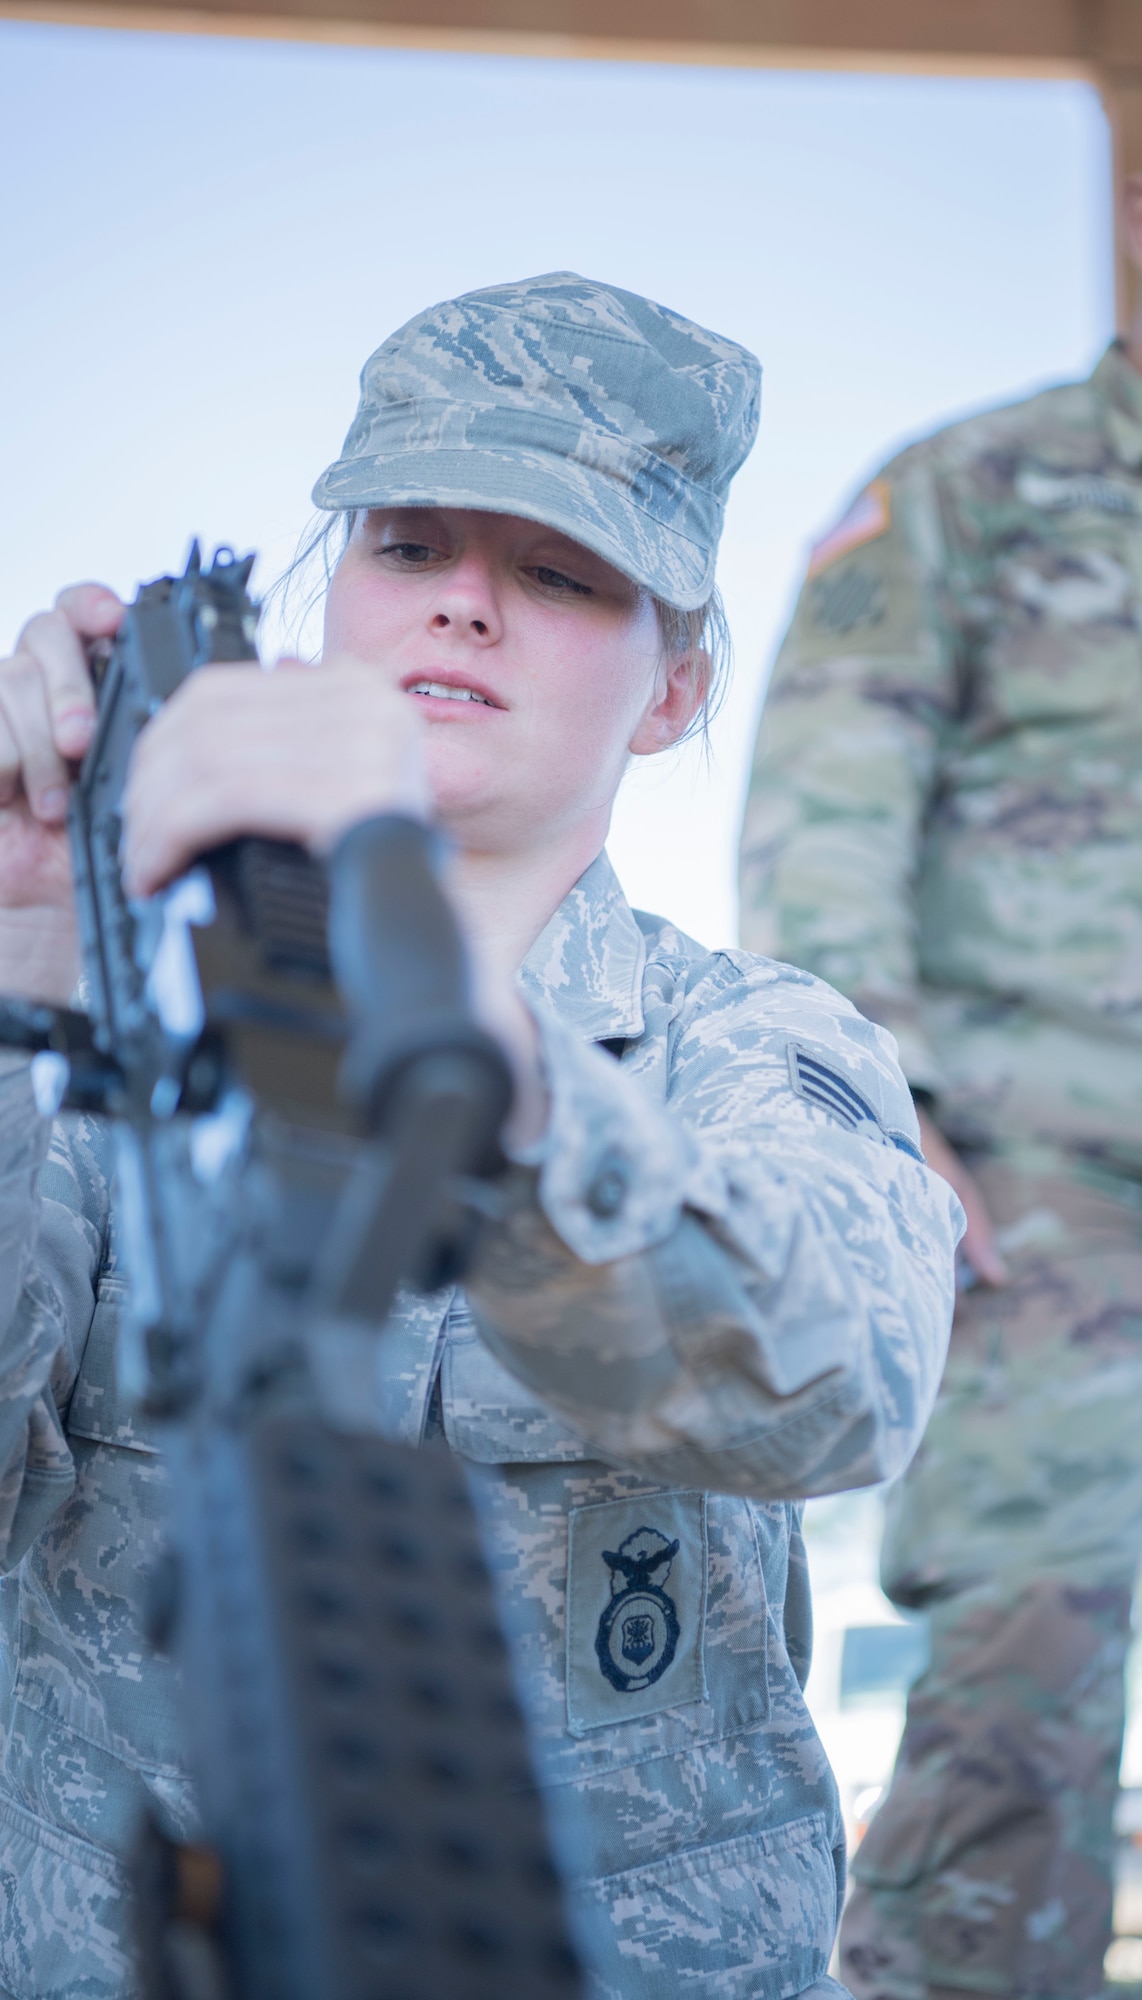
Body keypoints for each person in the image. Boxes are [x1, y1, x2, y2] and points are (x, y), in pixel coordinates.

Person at [0, 272, 959, 2000]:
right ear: (325, 611)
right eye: (410, 546)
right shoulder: (109, 1032)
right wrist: (18, 969)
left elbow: (837, 1382)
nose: (464, 610)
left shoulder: (747, 1047)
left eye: (559, 574)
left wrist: (469, 1047)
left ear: (673, 690)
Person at [740, 17, 1142, 1999]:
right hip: (1034, 1181)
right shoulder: (965, 492)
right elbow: (825, 809)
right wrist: (880, 1106)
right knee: (1023, 1681)